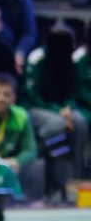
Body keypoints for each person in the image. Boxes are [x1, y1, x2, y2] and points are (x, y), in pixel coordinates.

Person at [23, 25, 89, 183]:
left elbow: (73, 91)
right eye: (70, 43)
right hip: (35, 108)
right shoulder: (36, 59)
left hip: (60, 109)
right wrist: (57, 110)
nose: (74, 47)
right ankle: (50, 178)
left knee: (79, 122)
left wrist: (68, 107)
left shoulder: (70, 59)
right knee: (57, 125)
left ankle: (75, 175)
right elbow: (32, 96)